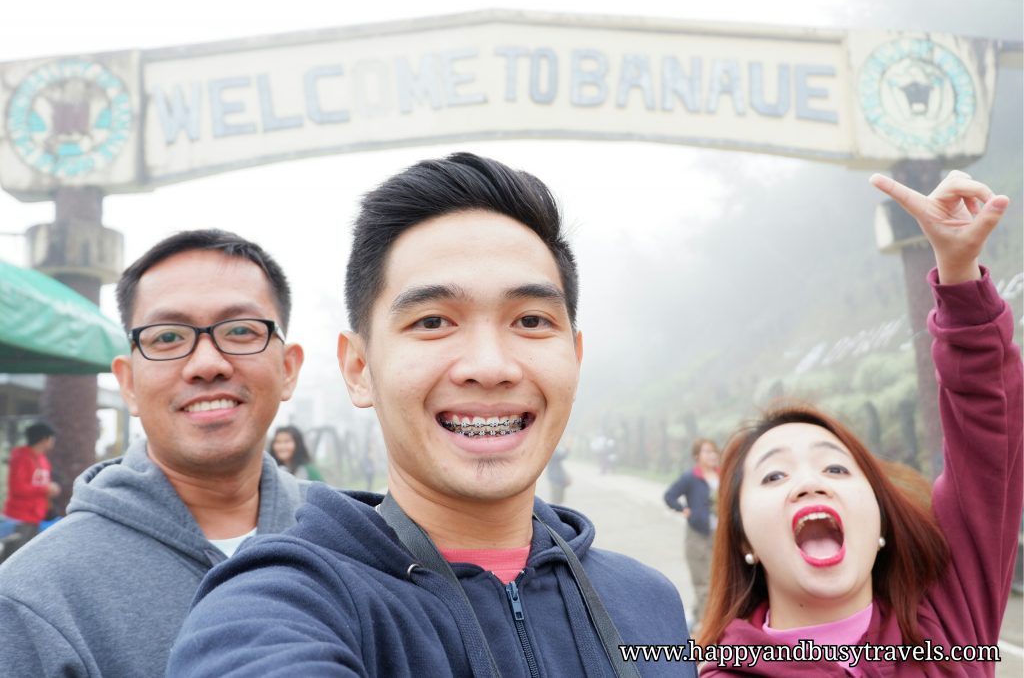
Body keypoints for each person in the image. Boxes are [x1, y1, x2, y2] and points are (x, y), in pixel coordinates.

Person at [169, 153, 693, 677]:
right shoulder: (279, 606)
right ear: (358, 368)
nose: (490, 367)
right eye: (434, 321)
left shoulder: (649, 603)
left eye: (531, 320)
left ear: (574, 358)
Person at [698, 171, 1021, 677]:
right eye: (774, 475)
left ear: (880, 526)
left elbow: (990, 436)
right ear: (743, 541)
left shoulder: (949, 625)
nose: (808, 483)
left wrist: (960, 274)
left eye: (836, 469)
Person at [0, 229, 306, 677]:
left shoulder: (364, 547)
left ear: (288, 369)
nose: (207, 364)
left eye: (240, 330)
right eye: (167, 338)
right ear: (128, 384)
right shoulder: (34, 598)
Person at [663, 437, 720, 628]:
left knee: (718, 581)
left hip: (720, 536)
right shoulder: (690, 477)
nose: (712, 455)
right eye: (707, 451)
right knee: (703, 584)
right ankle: (707, 628)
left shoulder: (722, 474)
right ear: (697, 456)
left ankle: (694, 619)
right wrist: (684, 510)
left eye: (714, 451)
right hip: (698, 536)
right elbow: (669, 496)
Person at [0, 422, 60, 560]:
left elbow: (40, 484)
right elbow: (18, 488)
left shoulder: (44, 460)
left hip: (37, 516)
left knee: (28, 560)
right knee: (13, 559)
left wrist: (50, 489)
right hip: (20, 517)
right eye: (52, 438)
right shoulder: (20, 458)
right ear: (45, 439)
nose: (53, 442)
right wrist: (45, 488)